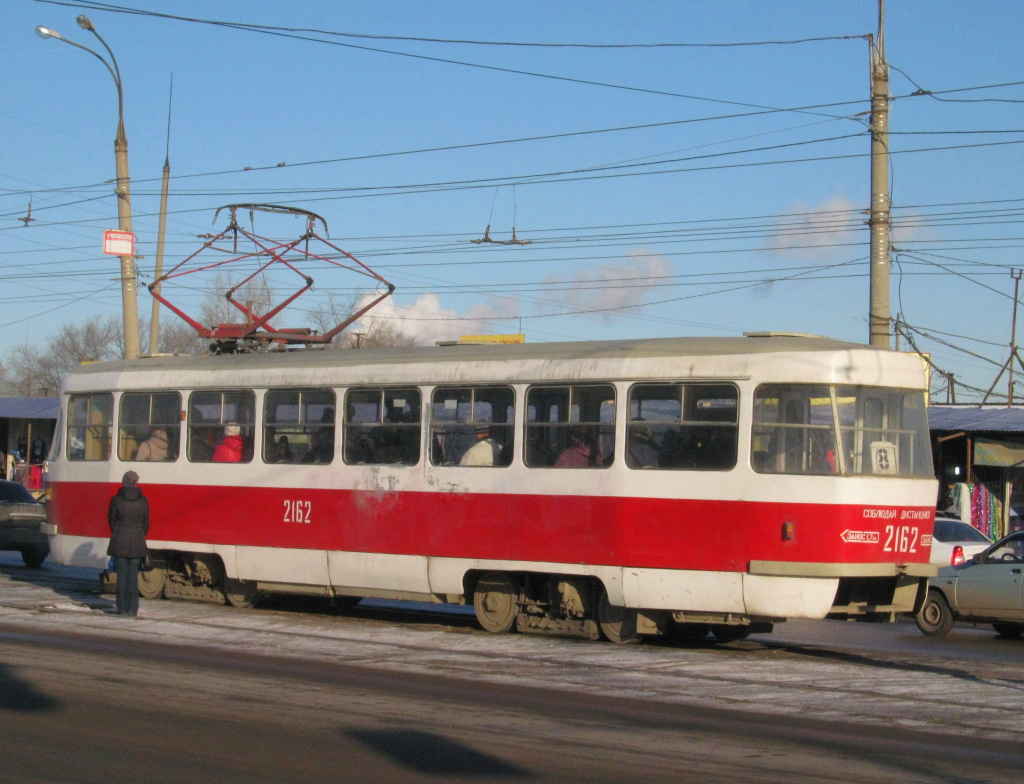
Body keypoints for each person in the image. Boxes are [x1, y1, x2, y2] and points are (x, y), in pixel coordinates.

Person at [107, 470, 149, 617]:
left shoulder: (116, 500)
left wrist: (119, 532)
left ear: (123, 481)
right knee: (133, 577)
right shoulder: (143, 501)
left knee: (122, 577)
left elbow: (111, 522)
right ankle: (132, 609)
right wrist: (137, 534)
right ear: (136, 482)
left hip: (120, 541)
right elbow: (146, 525)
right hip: (137, 542)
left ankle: (122, 609)